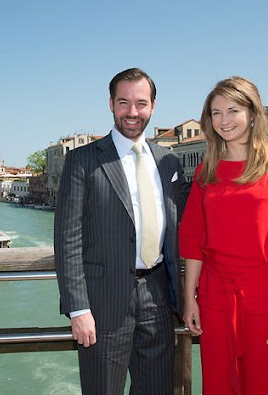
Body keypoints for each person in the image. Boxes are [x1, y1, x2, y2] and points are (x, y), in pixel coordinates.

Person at [179, 76, 268, 395]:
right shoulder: (206, 170)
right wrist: (190, 299)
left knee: (267, 388)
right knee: (218, 387)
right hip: (215, 301)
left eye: (233, 110)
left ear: (252, 114)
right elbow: (193, 241)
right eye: (216, 113)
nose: (224, 120)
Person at [54, 67, 189, 394]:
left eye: (141, 103)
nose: (132, 112)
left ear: (153, 106)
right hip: (101, 304)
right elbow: (67, 238)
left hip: (158, 297)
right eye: (124, 102)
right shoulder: (82, 161)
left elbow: (192, 219)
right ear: (111, 104)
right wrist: (78, 308)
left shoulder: (169, 162)